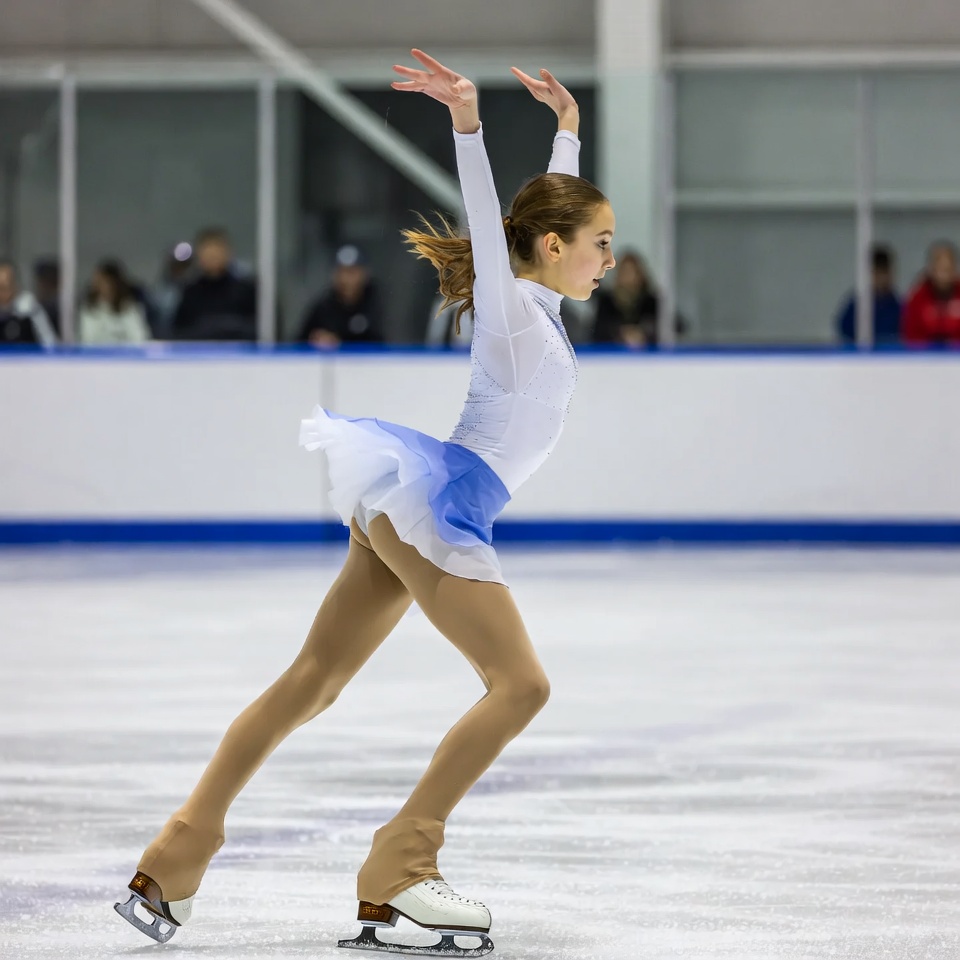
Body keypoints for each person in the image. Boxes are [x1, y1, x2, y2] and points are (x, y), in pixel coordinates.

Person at [115, 50, 615, 956]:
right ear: (553, 249)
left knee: (316, 678)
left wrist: (569, 127)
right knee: (522, 685)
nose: (609, 263)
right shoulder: (512, 313)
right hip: (439, 504)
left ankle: (178, 851)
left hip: (405, 498)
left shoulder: (535, 305)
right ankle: (401, 868)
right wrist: (466, 123)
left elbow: (555, 205)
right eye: (602, 246)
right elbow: (492, 211)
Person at [172, 228, 257, 341]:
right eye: (208, 250)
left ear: (228, 253)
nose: (213, 256)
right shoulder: (190, 293)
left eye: (217, 250)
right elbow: (178, 331)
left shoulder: (246, 291)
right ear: (199, 255)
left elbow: (259, 329)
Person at [297, 245, 385, 347]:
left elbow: (386, 344)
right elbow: (299, 343)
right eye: (341, 272)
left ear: (364, 274)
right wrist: (315, 339)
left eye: (351, 272)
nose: (345, 279)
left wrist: (340, 342)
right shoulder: (323, 308)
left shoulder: (377, 305)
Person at [835, 244, 902, 345]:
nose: (881, 279)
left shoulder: (899, 307)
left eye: (884, 273)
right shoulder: (857, 305)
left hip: (890, 359)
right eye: (877, 273)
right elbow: (845, 332)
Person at [591, 249, 659, 347]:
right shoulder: (606, 302)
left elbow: (672, 327)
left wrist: (644, 332)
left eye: (631, 272)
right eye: (624, 271)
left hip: (649, 359)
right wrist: (620, 333)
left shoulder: (651, 303)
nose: (627, 276)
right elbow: (597, 332)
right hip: (610, 357)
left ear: (640, 275)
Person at [78, 260, 151, 345]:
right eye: (98, 282)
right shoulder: (89, 308)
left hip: (126, 356)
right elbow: (87, 339)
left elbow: (139, 337)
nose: (102, 286)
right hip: (97, 356)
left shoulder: (129, 307)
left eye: (106, 282)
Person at [902, 240, 960, 346]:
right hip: (924, 359)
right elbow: (911, 337)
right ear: (931, 268)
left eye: (947, 269)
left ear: (954, 268)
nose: (943, 275)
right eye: (939, 268)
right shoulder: (917, 298)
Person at [0, 259, 57, 348]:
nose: (2, 293)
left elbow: (50, 343)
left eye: (5, 287)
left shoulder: (29, 309)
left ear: (15, 285)